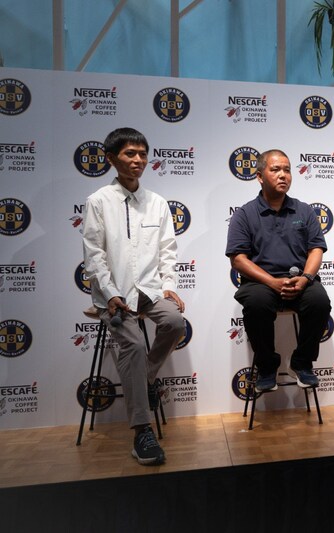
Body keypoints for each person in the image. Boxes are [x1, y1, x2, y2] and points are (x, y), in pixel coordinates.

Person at [83, 127, 186, 466]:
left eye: (142, 153)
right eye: (130, 153)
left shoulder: (157, 203)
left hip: (150, 290)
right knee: (134, 345)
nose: (138, 160)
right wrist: (110, 293)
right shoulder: (98, 201)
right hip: (113, 296)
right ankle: (142, 431)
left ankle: (145, 379)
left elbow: (168, 250)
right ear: (111, 159)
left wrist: (169, 284)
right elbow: (94, 254)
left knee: (174, 323)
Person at [226, 149, 331, 394]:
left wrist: (306, 278)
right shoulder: (244, 214)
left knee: (319, 301)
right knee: (257, 303)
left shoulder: (304, 211)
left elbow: (316, 249)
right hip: (261, 282)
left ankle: (302, 362)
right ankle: (266, 367)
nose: (283, 175)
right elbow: (238, 260)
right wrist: (272, 282)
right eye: (275, 170)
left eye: (287, 170)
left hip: (299, 279)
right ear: (259, 177)